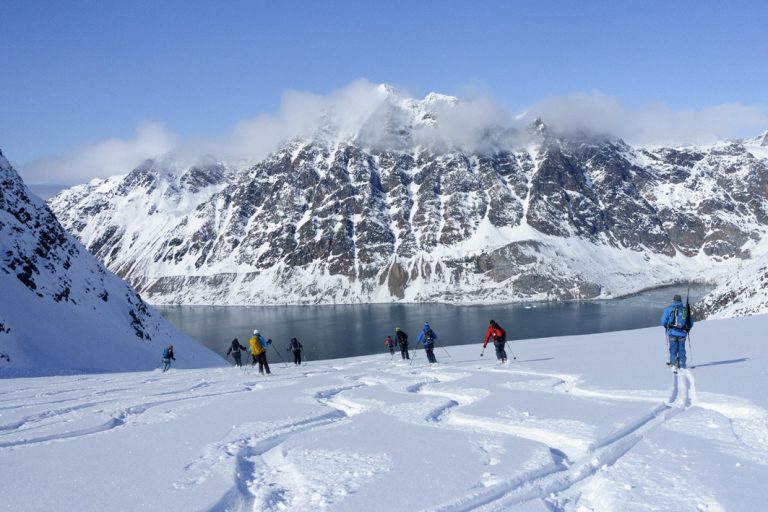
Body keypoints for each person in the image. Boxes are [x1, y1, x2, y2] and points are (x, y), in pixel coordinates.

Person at [660, 294, 694, 370]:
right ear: (680, 301)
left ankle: (673, 364)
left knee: (673, 349)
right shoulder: (685, 310)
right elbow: (690, 322)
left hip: (672, 333)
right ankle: (682, 364)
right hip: (682, 333)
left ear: (673, 300)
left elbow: (663, 321)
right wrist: (687, 329)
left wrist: (666, 326)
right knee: (681, 349)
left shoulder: (668, 309)